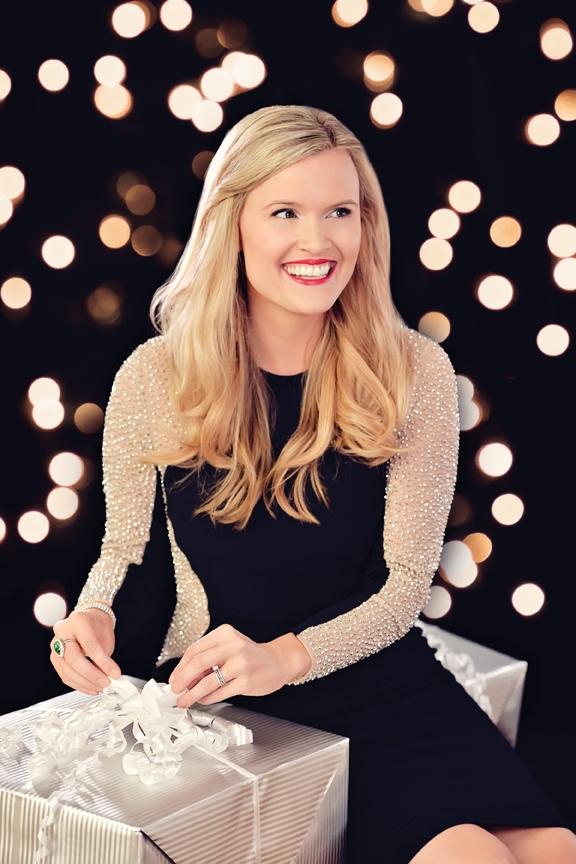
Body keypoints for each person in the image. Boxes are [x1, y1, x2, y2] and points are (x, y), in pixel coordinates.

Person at [50, 106, 575, 864]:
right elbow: (124, 550)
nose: (318, 241)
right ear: (233, 224)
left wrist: (290, 655)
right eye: (285, 212)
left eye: (340, 212)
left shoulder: (415, 371)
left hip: (379, 676)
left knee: (554, 848)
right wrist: (93, 614)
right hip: (235, 700)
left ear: (367, 224)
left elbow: (403, 586)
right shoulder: (156, 376)